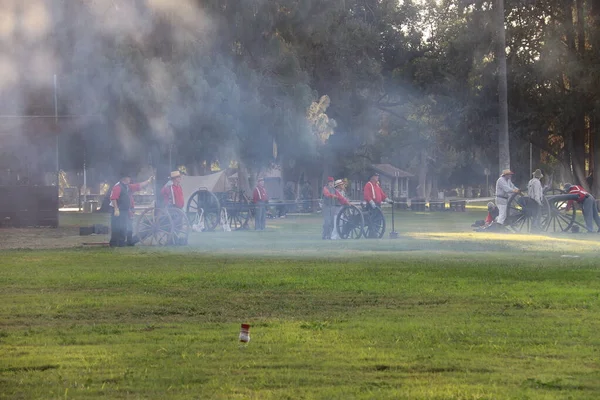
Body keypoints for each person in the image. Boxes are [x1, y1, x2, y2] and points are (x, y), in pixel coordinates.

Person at [109, 172, 153, 247]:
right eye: (129, 177)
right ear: (124, 178)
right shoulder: (118, 187)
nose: (130, 179)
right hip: (119, 210)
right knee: (118, 227)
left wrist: (148, 181)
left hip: (125, 211)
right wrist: (116, 209)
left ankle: (124, 242)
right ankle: (116, 243)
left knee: (125, 227)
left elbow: (138, 185)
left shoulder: (128, 186)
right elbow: (113, 198)